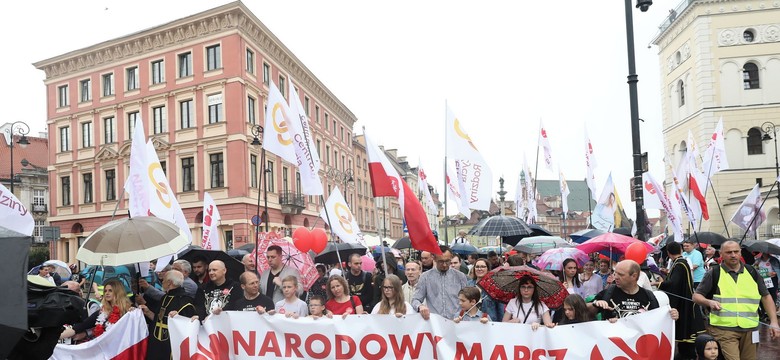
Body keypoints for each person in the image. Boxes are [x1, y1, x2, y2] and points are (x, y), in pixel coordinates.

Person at [692, 240, 780, 360]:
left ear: (740, 253)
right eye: (729, 252)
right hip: (723, 329)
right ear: (721, 254)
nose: (733, 255)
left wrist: (774, 322)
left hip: (751, 329)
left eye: (736, 251)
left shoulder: (752, 272)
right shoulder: (714, 272)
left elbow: (766, 296)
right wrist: (709, 302)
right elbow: (696, 296)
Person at [590, 260, 679, 322]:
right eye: (615, 273)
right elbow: (584, 312)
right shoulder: (609, 292)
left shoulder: (648, 296)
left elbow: (658, 319)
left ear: (634, 276)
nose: (616, 277)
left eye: (621, 274)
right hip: (614, 345)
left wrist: (671, 315)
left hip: (639, 346)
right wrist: (595, 304)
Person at [659, 241, 704, 359]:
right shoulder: (680, 262)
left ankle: (688, 355)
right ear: (680, 250)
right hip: (684, 298)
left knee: (686, 330)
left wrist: (659, 284)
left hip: (684, 302)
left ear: (668, 253)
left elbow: (674, 284)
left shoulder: (680, 264)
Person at [141, 270, 197, 360]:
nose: (162, 282)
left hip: (171, 347)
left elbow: (188, 329)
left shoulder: (185, 301)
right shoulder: (164, 297)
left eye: (164, 280)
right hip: (156, 345)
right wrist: (147, 312)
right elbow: (158, 320)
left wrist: (179, 318)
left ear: (169, 282)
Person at [63, 279, 134, 341]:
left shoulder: (128, 311)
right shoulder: (102, 312)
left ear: (118, 292)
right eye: (105, 291)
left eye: (110, 291)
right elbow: (82, 326)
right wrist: (56, 337)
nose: (107, 293)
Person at [412, 246, 469, 320]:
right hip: (435, 323)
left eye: (447, 261)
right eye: (441, 261)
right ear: (434, 258)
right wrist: (420, 306)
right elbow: (415, 299)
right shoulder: (425, 277)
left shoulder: (460, 276)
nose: (445, 265)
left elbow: (467, 299)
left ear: (451, 257)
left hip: (456, 321)